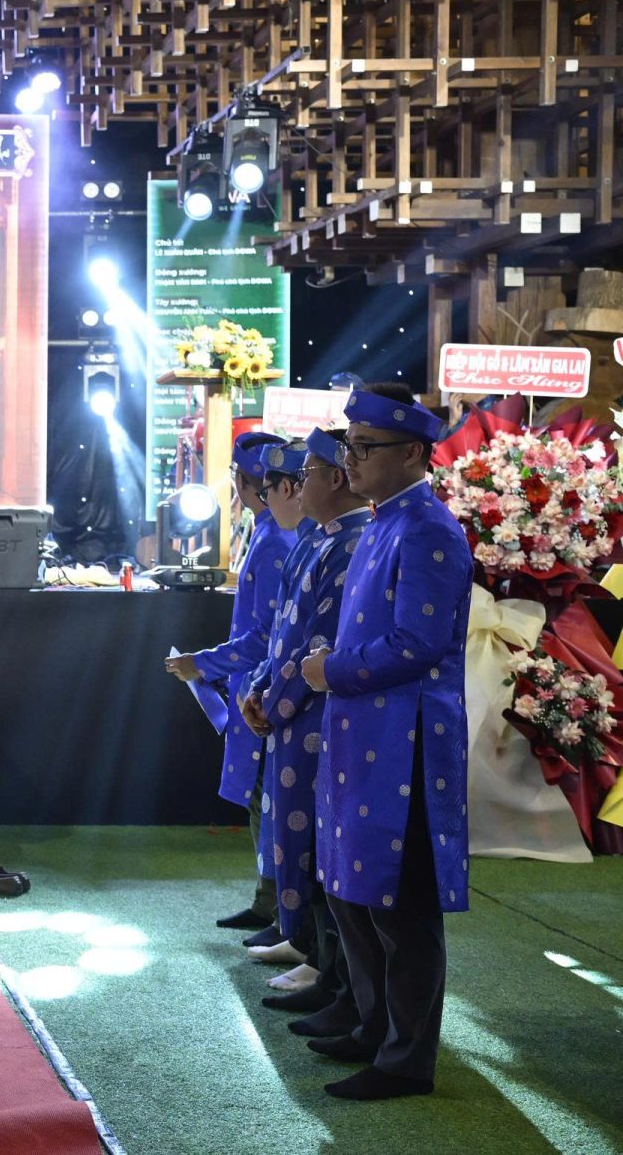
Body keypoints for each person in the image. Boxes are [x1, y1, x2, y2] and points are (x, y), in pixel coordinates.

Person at [300, 384, 470, 1101]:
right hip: (364, 731)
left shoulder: (428, 529)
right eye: (349, 445)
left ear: (412, 453)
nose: (352, 459)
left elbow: (417, 643)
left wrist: (331, 671)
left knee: (402, 906)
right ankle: (374, 1027)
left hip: (407, 742)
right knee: (357, 889)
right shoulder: (382, 524)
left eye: (366, 447)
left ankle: (406, 1061)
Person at [241, 431, 371, 1022]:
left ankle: (328, 967)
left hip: (316, 715)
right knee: (296, 839)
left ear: (333, 479)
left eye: (306, 475)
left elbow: (322, 642)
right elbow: (280, 634)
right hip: (290, 710)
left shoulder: (352, 542)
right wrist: (260, 688)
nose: (296, 488)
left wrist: (275, 700)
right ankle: (315, 954)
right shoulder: (318, 539)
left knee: (320, 846)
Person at [165, 432, 295, 939]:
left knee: (272, 802)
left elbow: (264, 636)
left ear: (245, 483)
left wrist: (203, 664)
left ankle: (284, 913)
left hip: (266, 690)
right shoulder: (270, 533)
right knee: (263, 801)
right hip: (255, 685)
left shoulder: (276, 540)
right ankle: (270, 904)